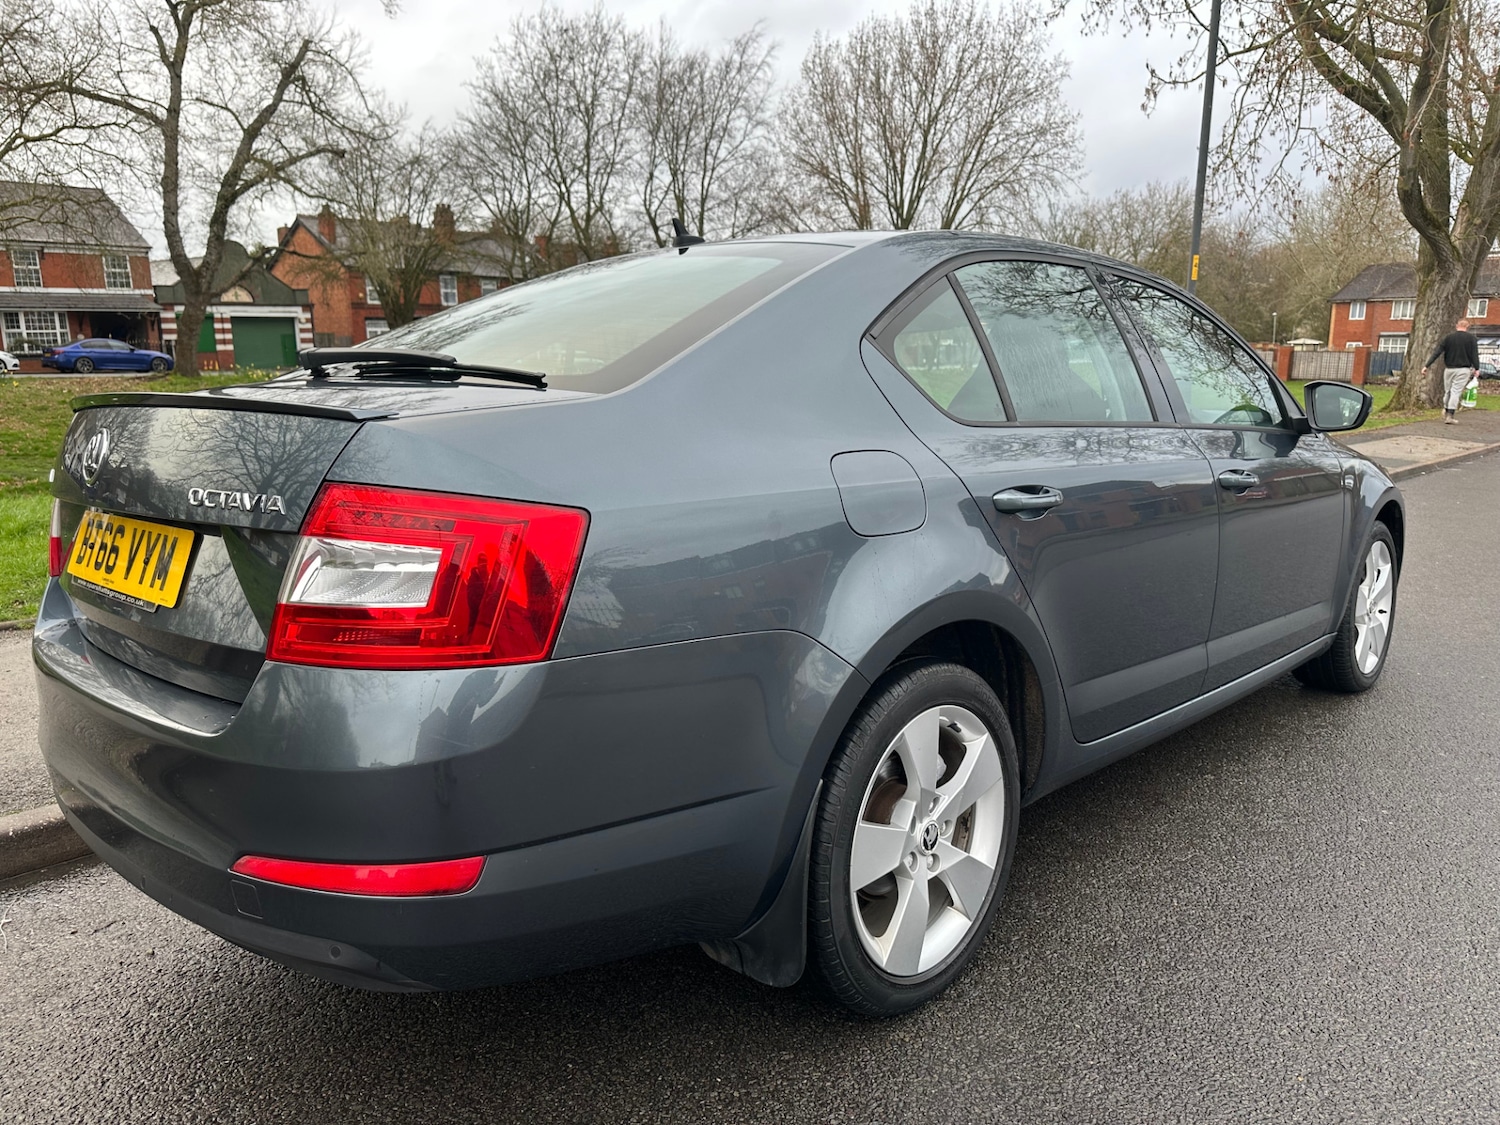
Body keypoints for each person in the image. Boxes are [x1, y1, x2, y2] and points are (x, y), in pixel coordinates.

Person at [1425, 317, 1481, 424]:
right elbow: (1474, 355)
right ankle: (1450, 415)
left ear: (1457, 326)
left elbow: (1437, 352)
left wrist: (1426, 365)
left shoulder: (1448, 338)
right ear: (1467, 327)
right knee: (1455, 392)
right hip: (1463, 369)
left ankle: (1446, 410)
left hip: (1449, 369)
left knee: (1448, 392)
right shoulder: (1471, 339)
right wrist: (1477, 368)